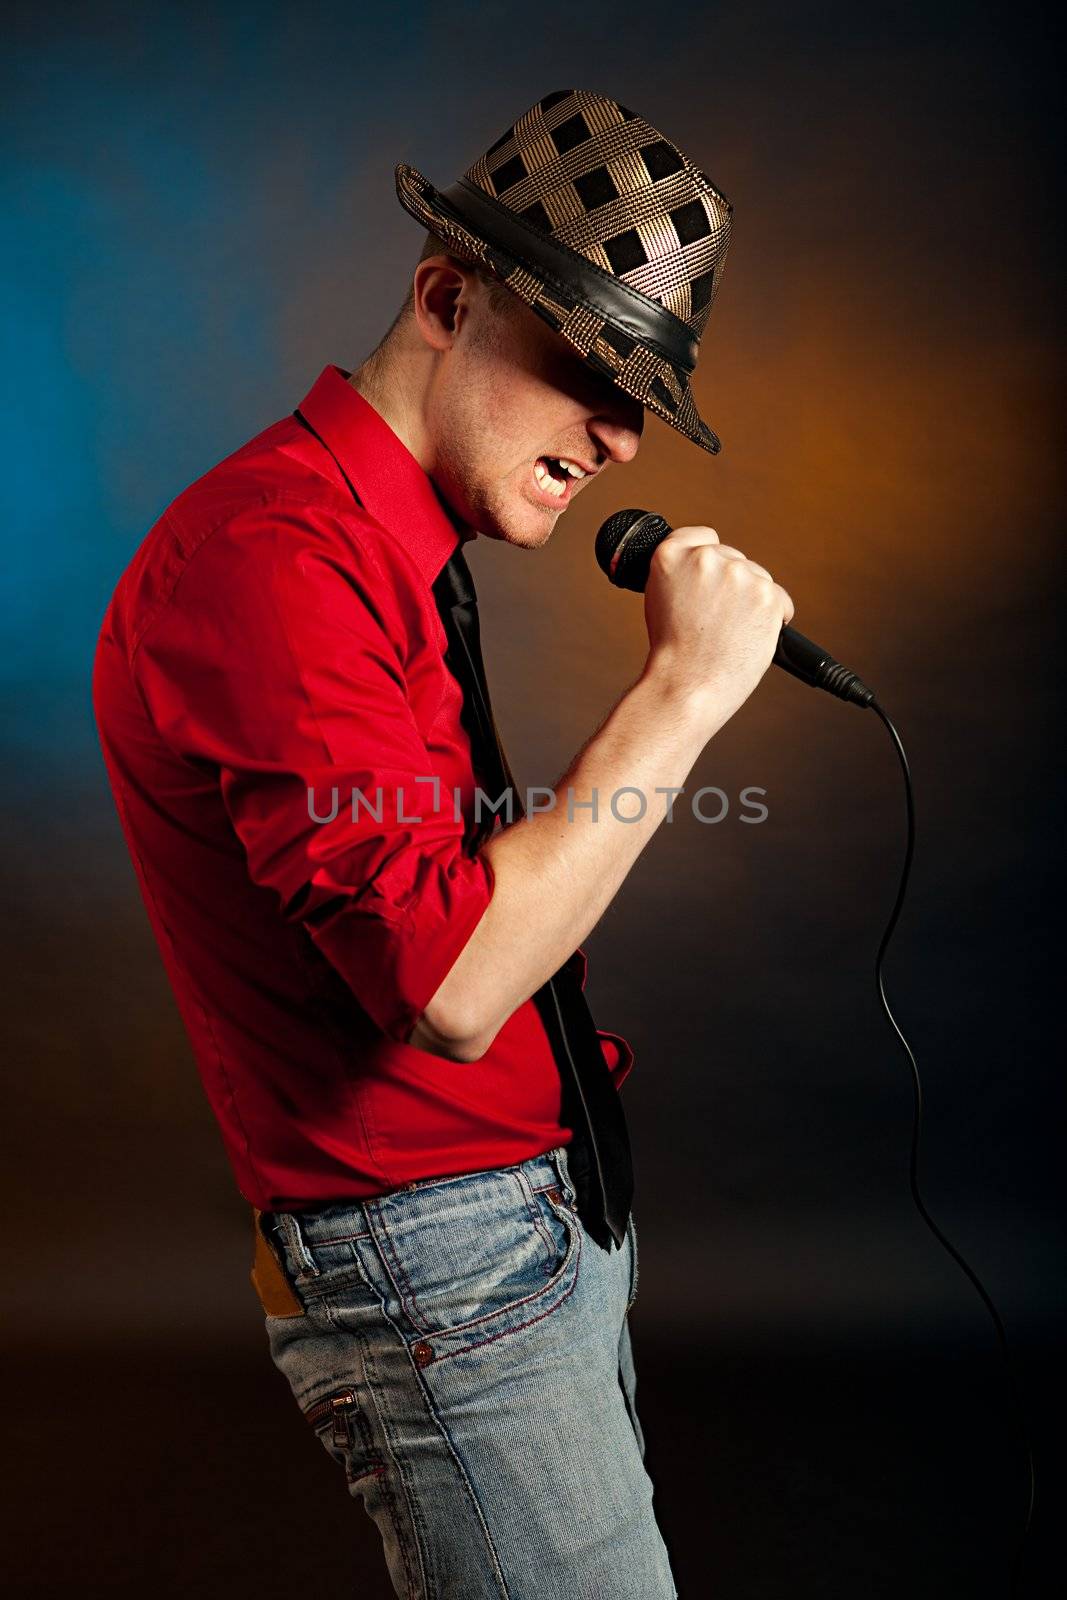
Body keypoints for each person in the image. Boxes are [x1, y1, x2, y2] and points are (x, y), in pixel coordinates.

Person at [92, 89, 793, 1599]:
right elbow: (455, 981)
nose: (615, 436)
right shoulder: (276, 558)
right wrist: (680, 695)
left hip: (525, 1230)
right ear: (443, 296)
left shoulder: (384, 543)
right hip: (444, 1263)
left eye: (641, 399)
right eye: (591, 370)